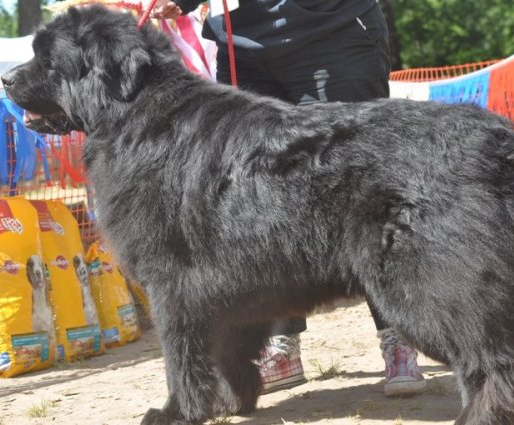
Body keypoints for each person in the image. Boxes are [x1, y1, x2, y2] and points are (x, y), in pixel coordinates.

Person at [147, 0, 426, 397]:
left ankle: (399, 337)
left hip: (332, 32)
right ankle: (281, 347)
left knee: (361, 189)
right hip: (242, 43)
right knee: (258, 208)